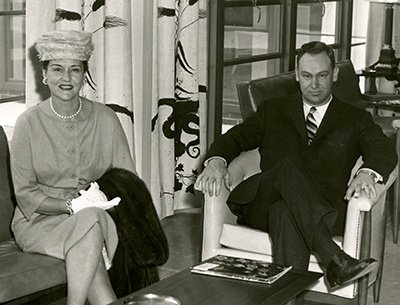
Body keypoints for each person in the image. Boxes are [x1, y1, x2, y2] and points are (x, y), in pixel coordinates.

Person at [195, 41, 397, 288]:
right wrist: (216, 161)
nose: (314, 84)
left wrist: (367, 172)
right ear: (296, 76)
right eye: (306, 76)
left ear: (334, 74)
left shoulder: (354, 118)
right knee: (287, 168)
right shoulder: (274, 109)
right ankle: (334, 257)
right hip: (263, 203)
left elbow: (383, 147)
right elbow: (237, 137)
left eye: (322, 75)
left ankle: (288, 298)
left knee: (285, 212)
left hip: (323, 209)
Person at [10, 30, 140, 305]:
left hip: (99, 215)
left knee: (91, 220)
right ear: (44, 75)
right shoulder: (28, 123)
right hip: (38, 222)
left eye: (75, 70)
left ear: (84, 75)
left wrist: (98, 198)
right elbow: (24, 194)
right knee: (89, 233)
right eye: (57, 69)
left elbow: (129, 182)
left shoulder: (106, 119)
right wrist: (69, 207)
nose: (66, 79)